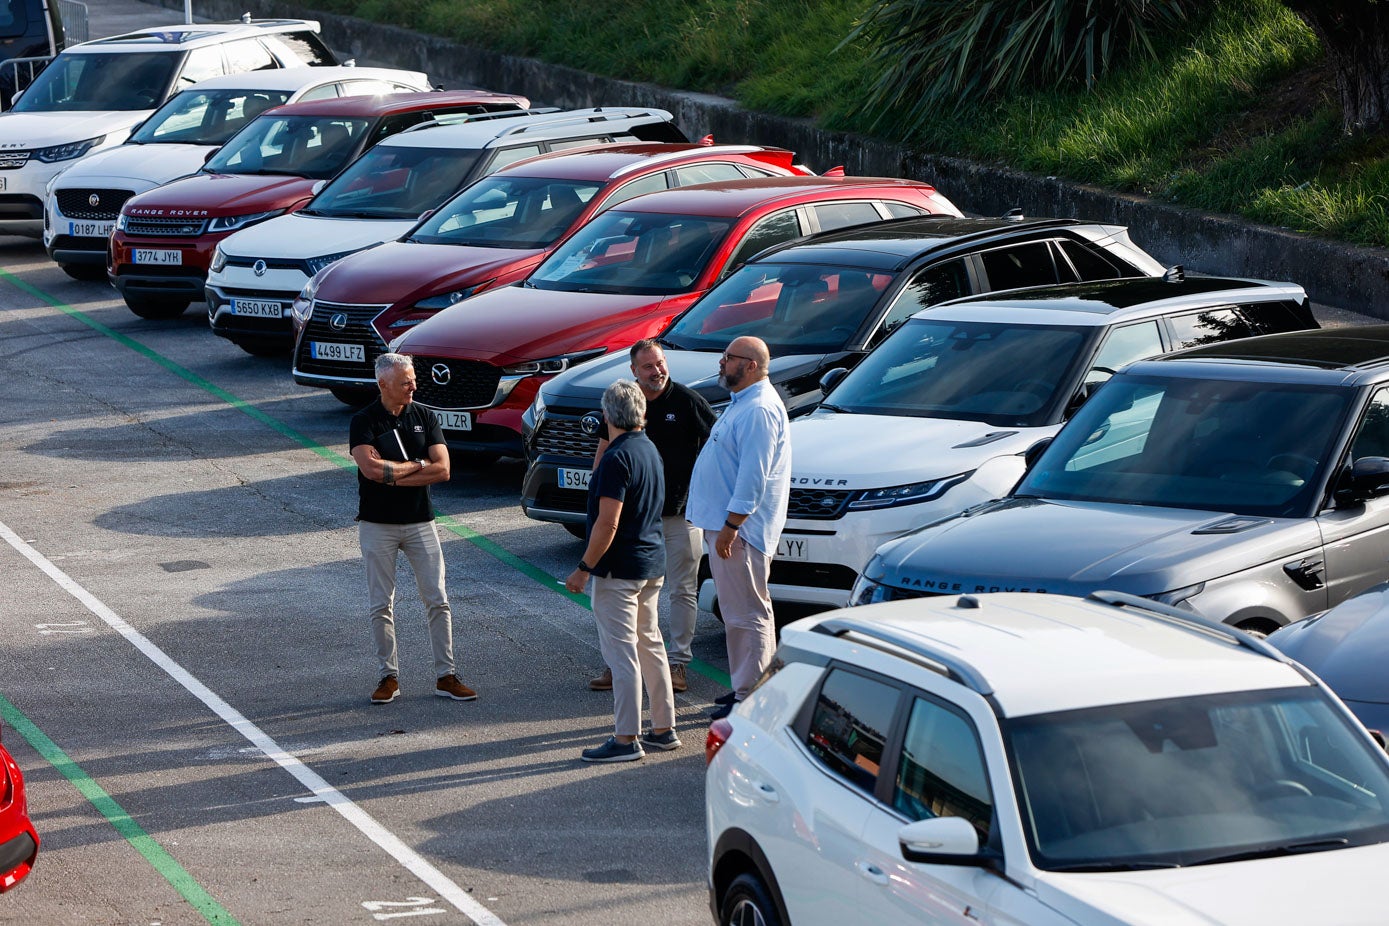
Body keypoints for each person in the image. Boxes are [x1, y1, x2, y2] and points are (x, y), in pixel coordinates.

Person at [589, 339, 716, 695]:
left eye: (660, 363)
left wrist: (704, 496)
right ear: (634, 371)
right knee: (627, 592)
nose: (657, 371)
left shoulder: (689, 403)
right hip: (635, 519)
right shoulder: (626, 404)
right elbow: (603, 454)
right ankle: (619, 663)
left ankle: (677, 663)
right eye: (648, 366)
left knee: (682, 591)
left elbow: (718, 450)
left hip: (680, 516)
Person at [349, 353, 477, 705]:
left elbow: (443, 470)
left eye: (413, 380)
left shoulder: (425, 415)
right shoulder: (363, 421)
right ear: (383, 385)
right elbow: (371, 472)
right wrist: (418, 465)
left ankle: (446, 675)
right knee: (381, 604)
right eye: (406, 382)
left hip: (421, 522)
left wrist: (397, 471)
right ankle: (388, 677)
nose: (413, 387)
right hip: (377, 525)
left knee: (438, 599)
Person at [564, 380, 678, 763]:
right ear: (641, 414)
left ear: (608, 416)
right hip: (651, 563)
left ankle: (626, 738)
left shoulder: (615, 458)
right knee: (651, 644)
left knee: (622, 654)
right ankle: (664, 727)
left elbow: (607, 524)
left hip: (619, 571)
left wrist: (584, 568)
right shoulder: (649, 450)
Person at [685, 336, 791, 721]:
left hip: (740, 534)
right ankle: (745, 688)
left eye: (728, 358)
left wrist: (732, 526)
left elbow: (753, 479)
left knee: (748, 614)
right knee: (738, 614)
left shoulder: (759, 409)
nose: (721, 362)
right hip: (731, 529)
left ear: (749, 365)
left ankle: (753, 697)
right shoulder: (743, 403)